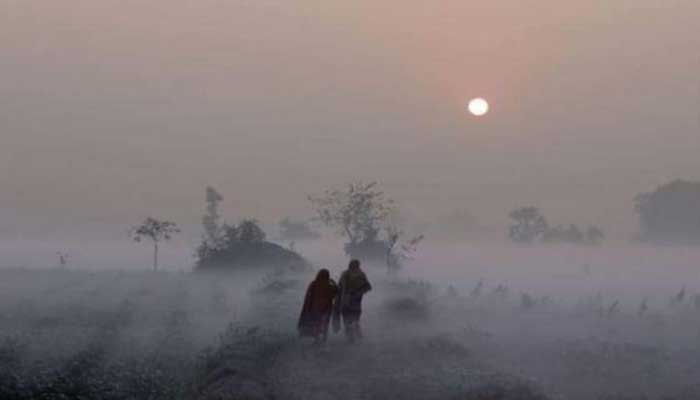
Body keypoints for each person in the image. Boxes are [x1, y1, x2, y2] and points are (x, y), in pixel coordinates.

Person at [298, 269, 338, 344]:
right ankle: (323, 340)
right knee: (325, 324)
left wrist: (307, 308)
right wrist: (333, 282)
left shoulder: (313, 284)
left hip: (315, 308)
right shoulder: (329, 286)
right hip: (326, 308)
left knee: (316, 324)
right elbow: (336, 293)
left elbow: (308, 297)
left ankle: (317, 339)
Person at [336, 259, 372, 342]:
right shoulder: (361, 274)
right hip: (355, 301)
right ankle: (355, 333)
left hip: (346, 300)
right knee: (355, 318)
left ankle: (351, 336)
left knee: (347, 318)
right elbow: (368, 287)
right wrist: (359, 292)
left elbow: (340, 287)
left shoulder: (345, 274)